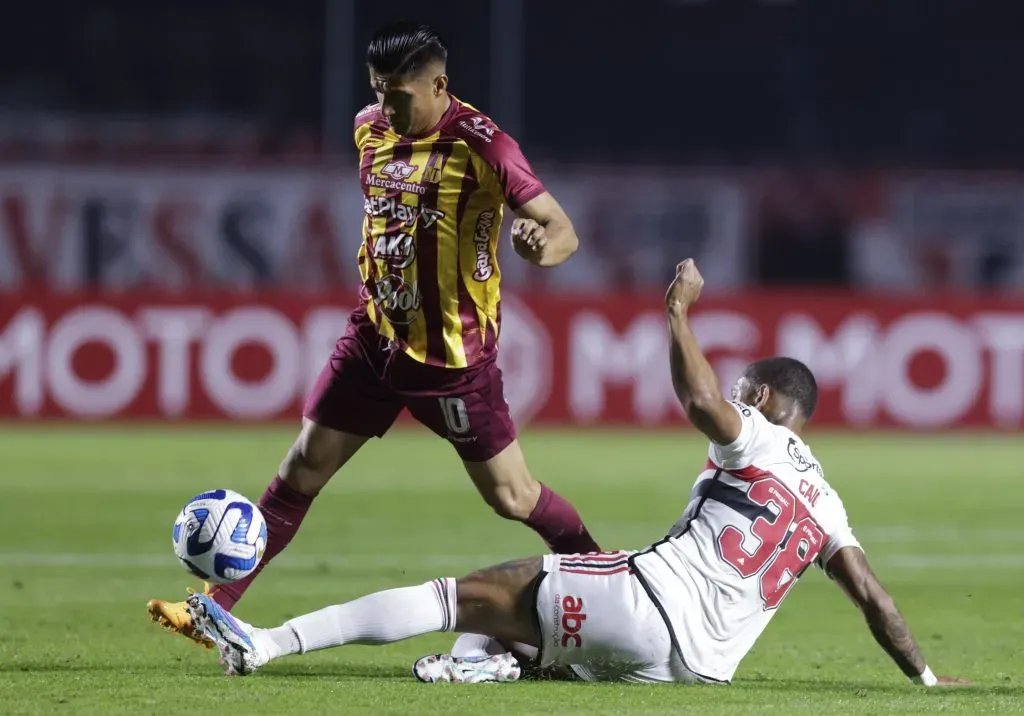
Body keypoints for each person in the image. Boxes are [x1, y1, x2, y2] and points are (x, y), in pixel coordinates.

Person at [181, 259, 965, 687]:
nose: (734, 396)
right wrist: (927, 679)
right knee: (539, 626)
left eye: (742, 389)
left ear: (761, 397)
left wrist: (678, 312)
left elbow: (698, 398)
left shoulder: (753, 431)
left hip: (648, 600)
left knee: (454, 598)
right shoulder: (827, 500)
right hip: (696, 671)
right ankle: (497, 670)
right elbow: (877, 602)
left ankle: (269, 644)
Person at [148, 20, 601, 646]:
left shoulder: (484, 145)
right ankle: (211, 608)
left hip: (451, 360)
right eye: (378, 91)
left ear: (439, 85)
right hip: (374, 338)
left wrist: (535, 247)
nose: (387, 107)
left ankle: (604, 577)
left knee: (513, 496)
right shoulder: (369, 128)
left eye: (400, 95)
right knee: (302, 468)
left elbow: (561, 230)